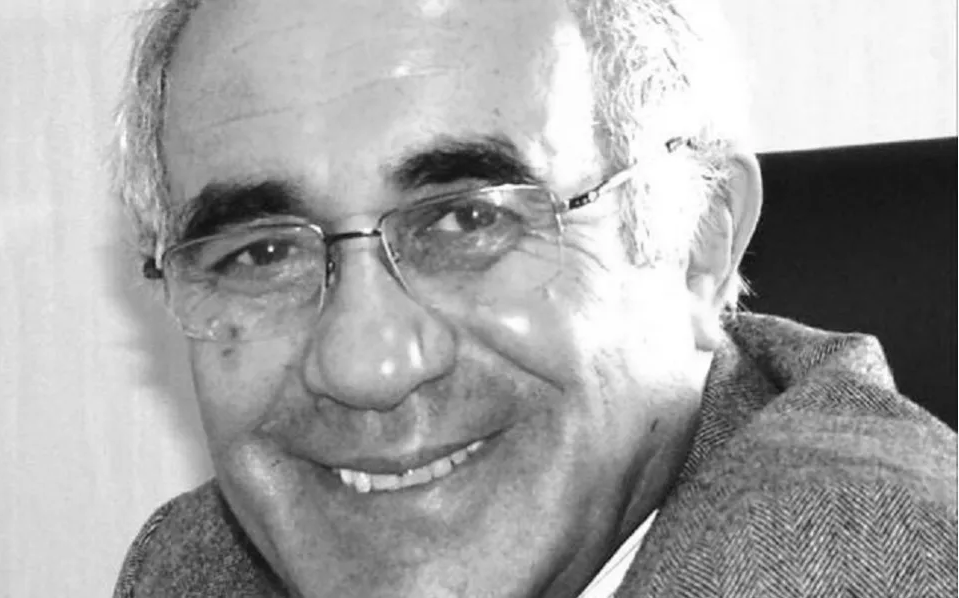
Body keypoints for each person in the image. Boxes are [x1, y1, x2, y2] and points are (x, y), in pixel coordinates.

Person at [111, 0, 957, 596]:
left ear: (696, 243)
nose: (367, 366)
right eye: (261, 253)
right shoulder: (198, 568)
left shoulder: (874, 566)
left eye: (468, 219)